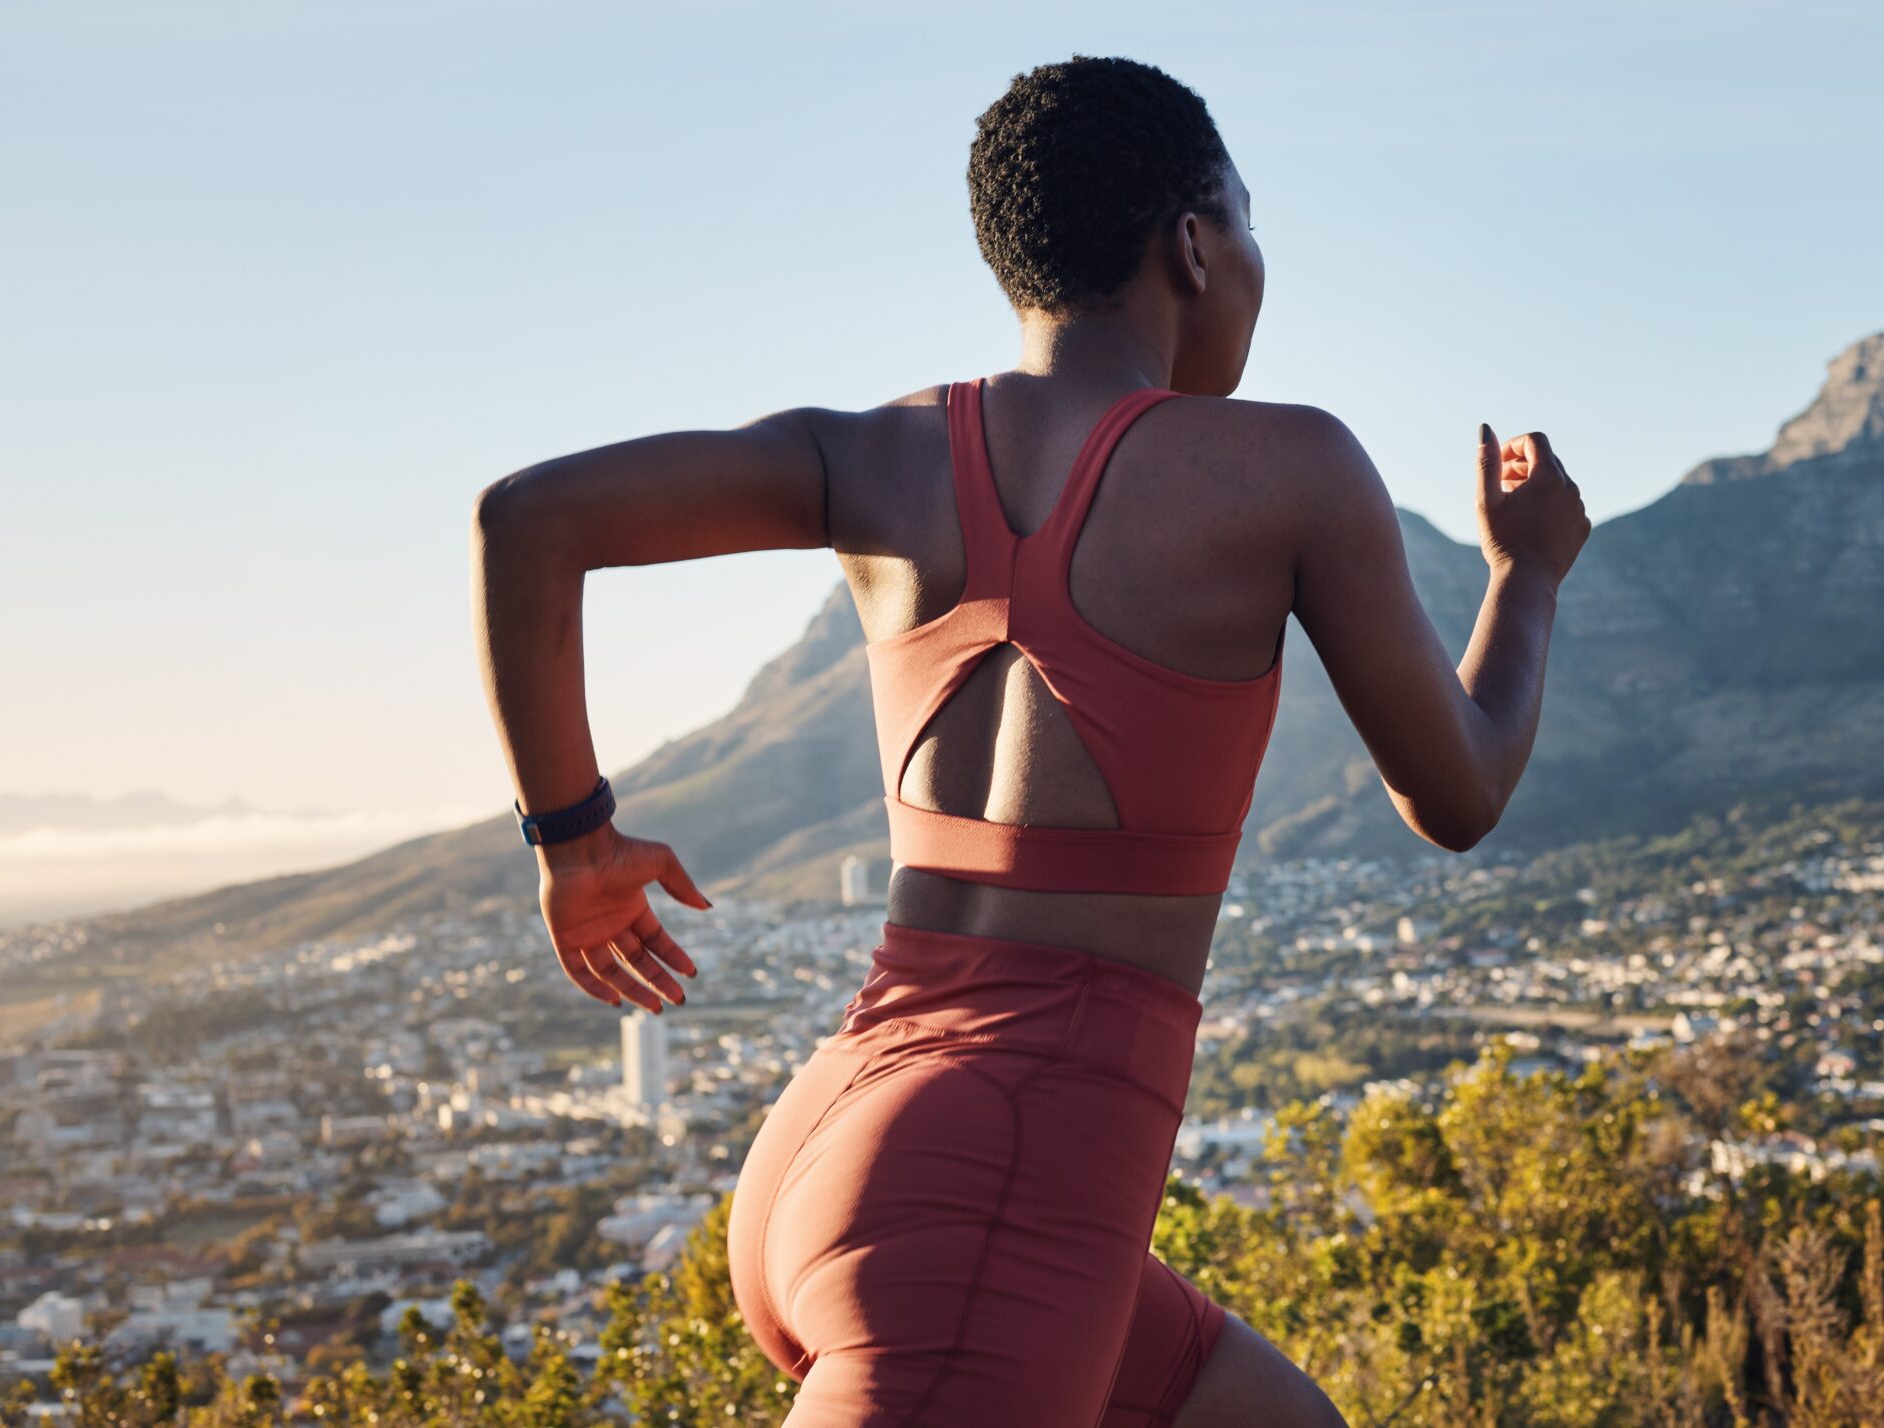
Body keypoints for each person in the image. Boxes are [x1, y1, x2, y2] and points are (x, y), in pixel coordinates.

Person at [470, 52, 1587, 1428]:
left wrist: (573, 846)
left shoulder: (874, 456)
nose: (1253, 268)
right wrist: (1527, 574)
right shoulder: (1288, 467)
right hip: (993, 1190)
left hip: (842, 1143)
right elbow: (1460, 790)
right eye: (1247, 228)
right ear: (1193, 241)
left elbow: (527, 521)